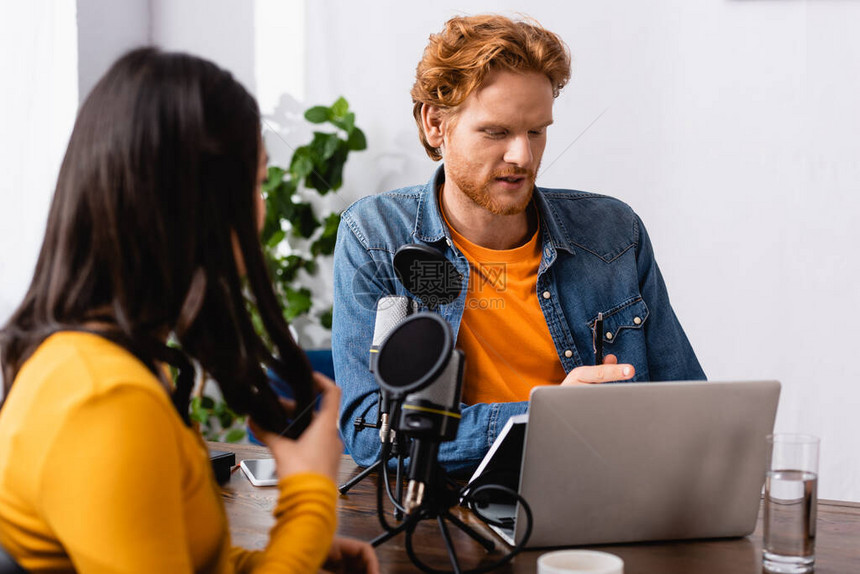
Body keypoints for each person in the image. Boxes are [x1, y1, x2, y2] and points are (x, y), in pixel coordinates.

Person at [0, 48, 378, 573]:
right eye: (257, 183)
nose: (262, 207)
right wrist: (310, 497)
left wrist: (294, 556)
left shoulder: (117, 362)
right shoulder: (104, 399)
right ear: (197, 204)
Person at [332, 14, 705, 474]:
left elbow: (687, 406)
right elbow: (373, 433)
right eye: (496, 132)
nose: (523, 157)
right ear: (435, 125)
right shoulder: (375, 237)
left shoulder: (614, 232)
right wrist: (545, 420)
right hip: (455, 508)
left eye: (536, 131)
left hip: (600, 490)